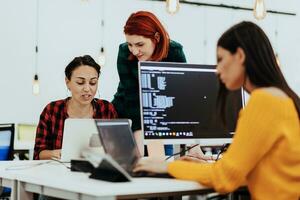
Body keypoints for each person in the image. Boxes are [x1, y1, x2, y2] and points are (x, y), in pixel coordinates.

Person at [134, 21, 300, 199]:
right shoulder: (283, 98)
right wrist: (194, 168)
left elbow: (225, 179)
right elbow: (241, 173)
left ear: (240, 56)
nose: (218, 70)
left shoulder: (264, 101)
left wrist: (165, 167)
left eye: (220, 59)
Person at [111, 11, 187, 156]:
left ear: (156, 37)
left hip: (159, 119)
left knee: (162, 163)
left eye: (140, 44)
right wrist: (139, 153)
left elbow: (182, 97)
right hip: (127, 114)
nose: (134, 51)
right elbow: (132, 99)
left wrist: (193, 145)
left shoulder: (174, 52)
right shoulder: (124, 52)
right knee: (133, 165)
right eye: (130, 44)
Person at [34, 55, 117, 160]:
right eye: (80, 82)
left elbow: (116, 150)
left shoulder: (107, 109)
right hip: (58, 173)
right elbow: (39, 153)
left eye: (93, 83)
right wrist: (56, 154)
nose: (87, 89)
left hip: (96, 173)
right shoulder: (52, 110)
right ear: (67, 82)